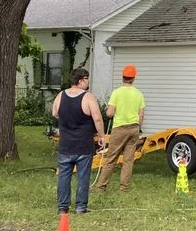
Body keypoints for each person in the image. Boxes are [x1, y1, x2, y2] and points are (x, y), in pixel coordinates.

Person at [51, 67, 106, 216]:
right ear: (81, 80)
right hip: (83, 144)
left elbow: (55, 113)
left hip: (65, 144)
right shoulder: (88, 97)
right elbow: (97, 118)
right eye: (87, 79)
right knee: (83, 176)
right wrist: (102, 136)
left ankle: (63, 208)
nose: (88, 82)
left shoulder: (61, 95)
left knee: (64, 176)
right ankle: (81, 207)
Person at [95, 64, 145, 193]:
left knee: (111, 158)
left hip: (119, 129)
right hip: (134, 128)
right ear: (133, 78)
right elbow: (141, 115)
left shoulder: (116, 93)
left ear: (122, 77)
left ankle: (101, 187)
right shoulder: (138, 94)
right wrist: (137, 127)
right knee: (128, 160)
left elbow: (110, 113)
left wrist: (108, 111)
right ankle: (124, 188)